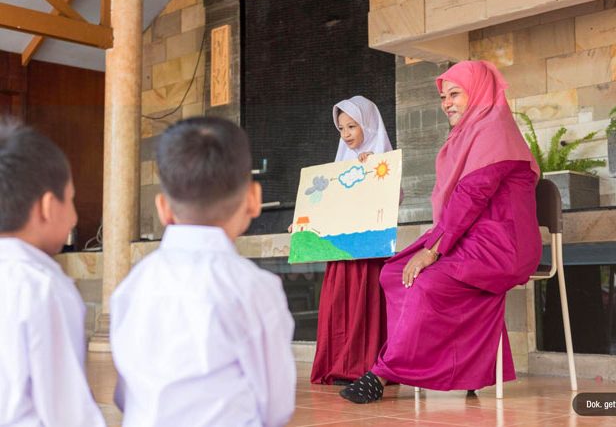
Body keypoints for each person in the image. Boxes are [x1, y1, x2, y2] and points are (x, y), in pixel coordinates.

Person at [339, 60, 542, 403]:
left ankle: (383, 374)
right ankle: (464, 371)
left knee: (426, 281)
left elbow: (471, 196)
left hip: (504, 244)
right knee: (393, 273)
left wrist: (432, 250)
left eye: (455, 94)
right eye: (443, 97)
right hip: (473, 236)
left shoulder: (495, 131)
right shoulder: (468, 133)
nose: (446, 103)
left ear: (478, 92)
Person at [111, 117, 296, 426]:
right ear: (253, 200)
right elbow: (276, 405)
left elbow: (124, 394)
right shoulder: (254, 287)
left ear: (163, 208)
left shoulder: (135, 283)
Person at [0, 119, 105, 426]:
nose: (74, 218)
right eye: (70, 199)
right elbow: (69, 413)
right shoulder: (42, 287)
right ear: (47, 206)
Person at [310, 95, 394, 385]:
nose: (346, 134)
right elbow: (328, 204)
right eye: (341, 128)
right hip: (342, 250)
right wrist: (306, 220)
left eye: (352, 126)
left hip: (369, 253)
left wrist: (371, 170)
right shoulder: (340, 164)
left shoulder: (382, 159)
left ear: (368, 126)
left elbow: (392, 197)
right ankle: (338, 364)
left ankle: (366, 366)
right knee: (338, 305)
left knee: (364, 305)